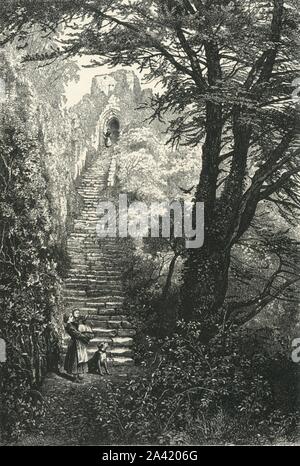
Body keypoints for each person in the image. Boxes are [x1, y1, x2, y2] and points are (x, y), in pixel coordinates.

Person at [64, 309, 93, 382]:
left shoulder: (77, 322)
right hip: (74, 344)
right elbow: (75, 333)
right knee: (75, 359)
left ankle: (80, 374)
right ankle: (75, 376)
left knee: (81, 358)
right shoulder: (69, 325)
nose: (77, 314)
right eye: (76, 313)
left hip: (81, 343)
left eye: (78, 313)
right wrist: (84, 337)